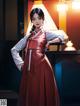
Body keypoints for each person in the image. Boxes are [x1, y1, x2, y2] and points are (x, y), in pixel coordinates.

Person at [11, 8, 68, 106]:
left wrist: (50, 42)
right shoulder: (28, 36)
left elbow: (63, 36)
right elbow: (14, 49)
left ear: (43, 19)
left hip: (43, 68)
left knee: (41, 92)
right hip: (29, 69)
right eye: (34, 19)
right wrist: (20, 65)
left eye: (39, 18)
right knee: (31, 93)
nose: (37, 21)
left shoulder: (46, 33)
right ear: (32, 21)